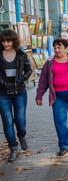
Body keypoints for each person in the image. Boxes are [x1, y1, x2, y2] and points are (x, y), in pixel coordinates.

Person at [0, 30, 32, 162]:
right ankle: (13, 147)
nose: (5, 43)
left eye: (8, 41)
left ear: (14, 41)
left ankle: (22, 135)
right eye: (3, 41)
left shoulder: (21, 54)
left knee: (20, 120)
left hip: (19, 92)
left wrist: (21, 80)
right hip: (2, 93)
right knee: (7, 121)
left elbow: (29, 69)